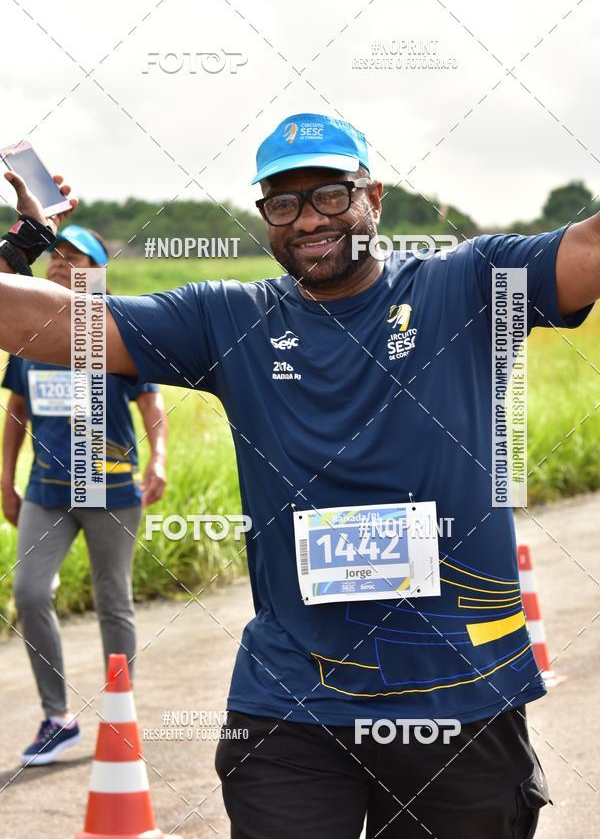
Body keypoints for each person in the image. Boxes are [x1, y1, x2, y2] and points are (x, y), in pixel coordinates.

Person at [0, 113, 598, 836]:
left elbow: (588, 247)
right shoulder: (229, 319)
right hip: (292, 702)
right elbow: (54, 324)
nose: (309, 219)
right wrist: (24, 242)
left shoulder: (469, 286)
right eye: (284, 203)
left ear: (372, 196)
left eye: (330, 195)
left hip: (459, 697)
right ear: (265, 216)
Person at [0, 223, 168, 765]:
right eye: (55, 254)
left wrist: (159, 459)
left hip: (111, 487)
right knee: (28, 592)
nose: (58, 263)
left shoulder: (119, 330)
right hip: (46, 489)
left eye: (75, 257)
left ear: (98, 273)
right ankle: (56, 718)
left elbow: (151, 406)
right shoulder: (29, 330)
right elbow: (17, 412)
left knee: (112, 601)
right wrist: (6, 476)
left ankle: (120, 715)